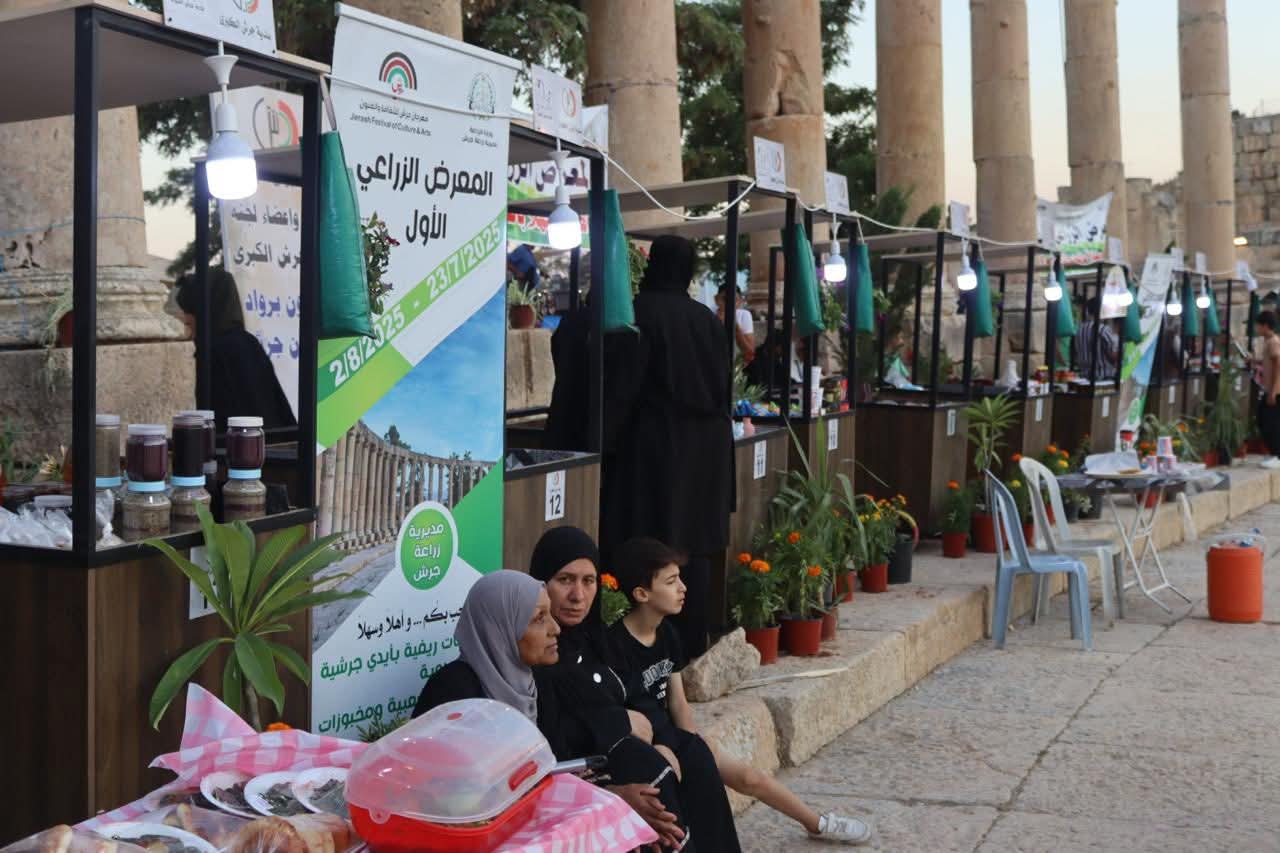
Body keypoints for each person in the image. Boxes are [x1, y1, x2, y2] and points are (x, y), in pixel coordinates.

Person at [606, 538, 876, 846]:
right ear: (642, 594)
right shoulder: (616, 646)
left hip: (678, 738)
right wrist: (670, 750)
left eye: (679, 578)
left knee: (750, 778)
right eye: (671, 582)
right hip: (652, 751)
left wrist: (694, 744)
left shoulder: (667, 632)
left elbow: (677, 701)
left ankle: (818, 823)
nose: (683, 588)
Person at [413, 570, 688, 850]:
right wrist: (610, 801)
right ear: (501, 629)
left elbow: (555, 770)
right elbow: (455, 797)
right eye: (538, 619)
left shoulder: (535, 685)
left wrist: (614, 801)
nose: (555, 628)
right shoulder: (455, 691)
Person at [531, 526, 743, 853]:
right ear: (541, 584)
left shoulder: (599, 641)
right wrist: (619, 723)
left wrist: (664, 743)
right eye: (565, 580)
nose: (578, 595)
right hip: (591, 775)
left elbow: (640, 698)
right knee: (651, 778)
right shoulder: (538, 654)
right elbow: (556, 737)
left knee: (693, 752)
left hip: (633, 754)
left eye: (588, 581)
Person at [602, 236, 734, 658]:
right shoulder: (708, 321)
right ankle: (692, 646)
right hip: (706, 457)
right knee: (695, 548)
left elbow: (621, 390)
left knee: (647, 546)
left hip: (652, 457)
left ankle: (646, 652)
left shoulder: (638, 314)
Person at [173, 269, 296, 432]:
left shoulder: (214, 352)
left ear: (205, 311)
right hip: (270, 441)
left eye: (189, 313)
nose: (185, 320)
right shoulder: (247, 341)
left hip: (240, 444)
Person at [1254, 312, 1280, 468]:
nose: (1256, 329)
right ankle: (1274, 453)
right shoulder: (1268, 342)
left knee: (1271, 423)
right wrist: (1254, 360)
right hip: (1269, 389)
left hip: (1275, 391)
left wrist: (1274, 392)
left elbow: (1278, 367)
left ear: (1265, 326)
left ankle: (1277, 455)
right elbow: (1268, 362)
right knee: (1262, 420)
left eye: (1258, 326)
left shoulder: (1274, 342)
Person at [1074, 296, 1119, 382]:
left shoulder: (1080, 330)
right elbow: (1114, 355)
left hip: (1084, 378)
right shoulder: (1103, 330)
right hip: (1104, 378)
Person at [714, 283, 755, 364]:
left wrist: (735, 325)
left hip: (736, 364)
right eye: (725, 299)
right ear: (716, 299)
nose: (729, 303)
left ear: (740, 301)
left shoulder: (744, 315)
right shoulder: (710, 313)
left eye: (734, 299)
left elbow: (749, 352)